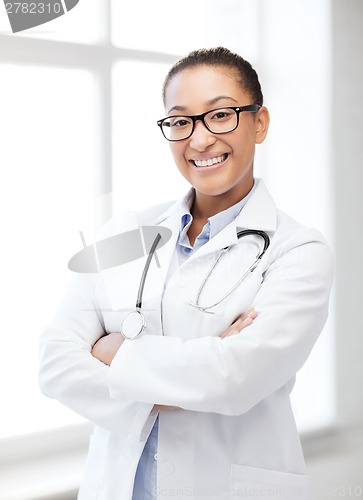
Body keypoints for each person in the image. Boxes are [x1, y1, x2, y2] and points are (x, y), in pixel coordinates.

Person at [39, 47, 334, 500]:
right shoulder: (125, 232)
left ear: (260, 123)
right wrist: (208, 355)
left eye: (220, 115)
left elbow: (237, 379)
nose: (199, 140)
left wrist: (116, 352)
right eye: (180, 121)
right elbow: (56, 365)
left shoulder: (298, 251)